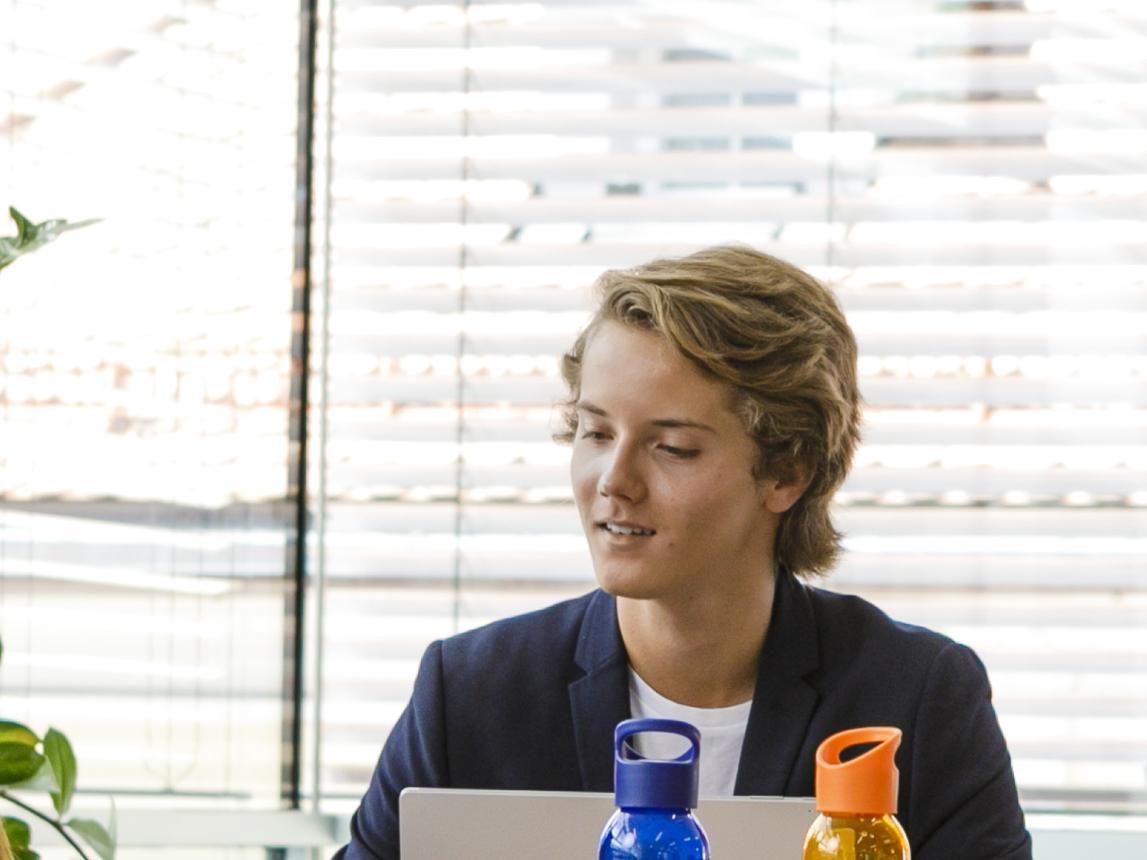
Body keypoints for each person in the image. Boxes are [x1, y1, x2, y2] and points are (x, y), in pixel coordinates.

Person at [334, 245, 1032, 860]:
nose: (614, 483)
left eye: (672, 447)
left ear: (786, 471)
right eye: (595, 433)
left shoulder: (916, 695)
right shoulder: (473, 691)